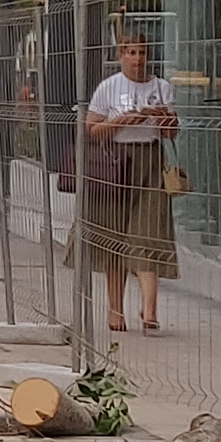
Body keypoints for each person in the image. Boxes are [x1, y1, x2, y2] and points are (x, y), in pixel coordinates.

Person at [81, 23, 182, 338]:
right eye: (131, 53)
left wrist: (164, 116)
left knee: (148, 233)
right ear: (120, 55)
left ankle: (150, 310)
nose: (137, 59)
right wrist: (121, 121)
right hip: (116, 161)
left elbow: (171, 133)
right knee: (116, 234)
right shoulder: (109, 87)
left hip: (150, 162)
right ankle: (115, 308)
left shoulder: (162, 87)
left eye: (142, 53)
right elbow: (92, 130)